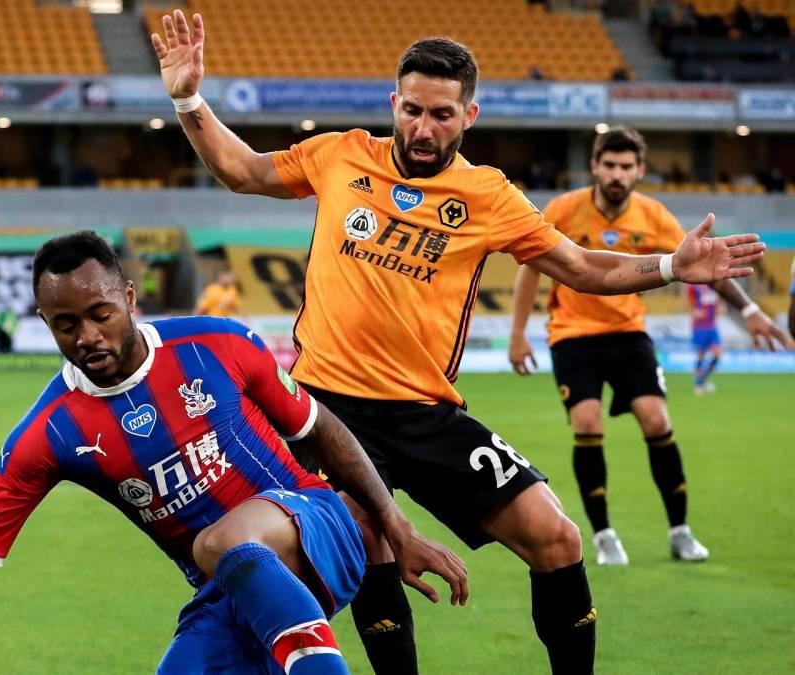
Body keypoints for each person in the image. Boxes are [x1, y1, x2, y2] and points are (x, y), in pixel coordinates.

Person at [152, 12, 767, 673]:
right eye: (413, 110)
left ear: (468, 115)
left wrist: (671, 265)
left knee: (555, 535)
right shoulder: (340, 155)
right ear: (394, 103)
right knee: (369, 541)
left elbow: (584, 266)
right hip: (328, 413)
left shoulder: (487, 195)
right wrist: (188, 100)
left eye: (442, 115)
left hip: (427, 413)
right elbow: (242, 170)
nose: (424, 128)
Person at [0, 232, 468, 675]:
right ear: (46, 323)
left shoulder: (217, 344)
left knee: (217, 543)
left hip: (317, 526)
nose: (87, 337)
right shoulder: (47, 433)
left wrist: (395, 526)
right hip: (228, 592)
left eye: (100, 314)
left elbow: (320, 429)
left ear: (129, 297)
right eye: (66, 325)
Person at [508, 126, 787, 567]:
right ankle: (603, 535)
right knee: (587, 422)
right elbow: (530, 268)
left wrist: (750, 310)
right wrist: (518, 333)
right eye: (609, 165)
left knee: (657, 420)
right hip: (572, 334)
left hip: (627, 332)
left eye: (626, 166)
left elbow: (699, 265)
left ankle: (680, 530)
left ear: (639, 170)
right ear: (595, 166)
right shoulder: (563, 209)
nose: (617, 174)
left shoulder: (653, 216)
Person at [688, 283, 721, 395]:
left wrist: (720, 307)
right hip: (700, 327)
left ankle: (703, 379)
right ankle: (698, 384)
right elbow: (690, 305)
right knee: (701, 355)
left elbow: (717, 303)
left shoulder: (713, 285)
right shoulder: (694, 287)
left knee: (717, 355)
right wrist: (695, 312)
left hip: (713, 327)